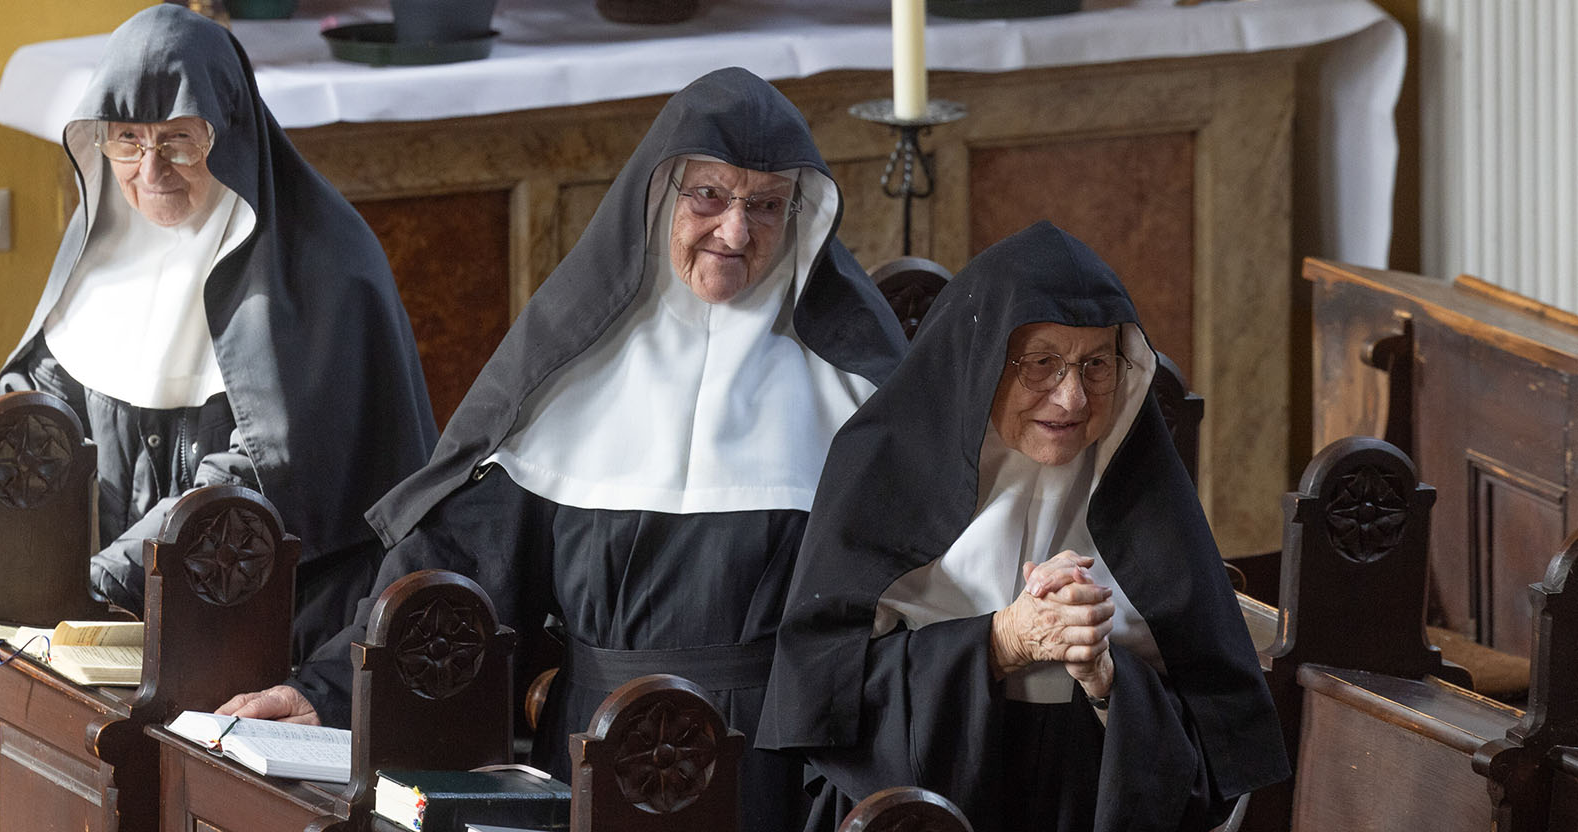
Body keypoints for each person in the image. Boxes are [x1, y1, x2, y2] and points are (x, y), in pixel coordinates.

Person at [218, 67, 908, 830]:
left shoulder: (852, 395)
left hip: (771, 772)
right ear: (656, 199)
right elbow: (452, 576)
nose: (736, 231)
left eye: (767, 205)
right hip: (587, 755)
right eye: (708, 195)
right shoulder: (571, 376)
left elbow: (916, 595)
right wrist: (327, 689)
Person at [0, 4, 438, 656]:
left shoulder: (326, 269)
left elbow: (262, 481)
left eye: (180, 140)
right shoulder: (105, 248)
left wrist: (94, 590)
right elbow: (28, 424)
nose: (150, 171)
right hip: (110, 613)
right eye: (128, 141)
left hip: (283, 631)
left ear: (233, 132)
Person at [757, 221, 1289, 832]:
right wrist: (1004, 640)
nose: (1072, 400)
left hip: (1084, 797)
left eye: (1095, 365)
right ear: (981, 365)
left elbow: (1207, 753)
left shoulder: (1145, 496)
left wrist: (1105, 679)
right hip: (923, 807)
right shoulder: (878, 470)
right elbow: (824, 706)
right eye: (1041, 364)